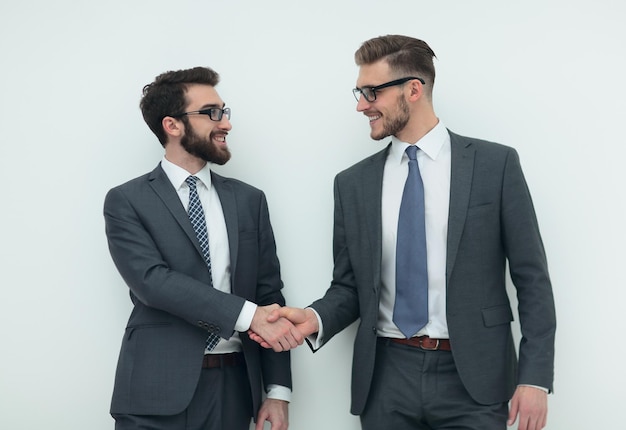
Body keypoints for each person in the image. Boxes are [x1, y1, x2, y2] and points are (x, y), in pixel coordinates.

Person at [250, 35, 556, 430]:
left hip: (475, 377)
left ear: (414, 89)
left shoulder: (495, 166)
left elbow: (532, 279)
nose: (361, 105)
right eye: (360, 92)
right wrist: (313, 317)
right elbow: (348, 287)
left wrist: (534, 377)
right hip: (386, 377)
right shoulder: (353, 183)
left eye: (372, 92)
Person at [104, 66, 302, 430]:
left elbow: (268, 293)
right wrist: (248, 315)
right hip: (154, 392)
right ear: (173, 125)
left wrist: (277, 391)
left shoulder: (248, 200)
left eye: (224, 112)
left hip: (233, 389)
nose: (225, 123)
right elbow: (152, 282)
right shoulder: (126, 201)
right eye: (212, 113)